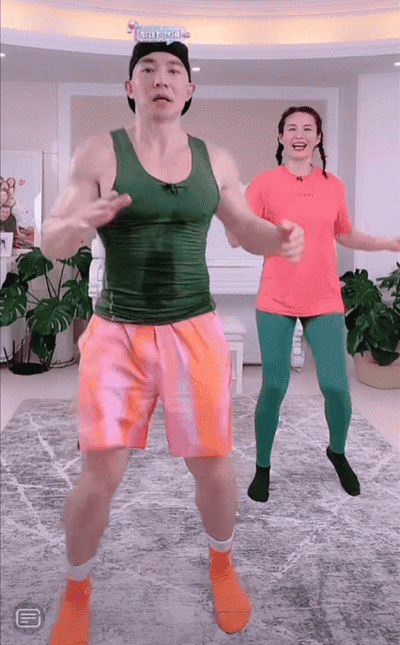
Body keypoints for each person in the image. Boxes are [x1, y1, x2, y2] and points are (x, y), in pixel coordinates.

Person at [41, 41, 304, 644]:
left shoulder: (215, 159)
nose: (161, 78)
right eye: (147, 69)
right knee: (99, 474)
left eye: (174, 71)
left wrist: (280, 237)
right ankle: (76, 590)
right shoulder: (101, 151)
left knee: (213, 464)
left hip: (194, 330)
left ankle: (223, 566)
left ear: (189, 90)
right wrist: (80, 223)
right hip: (116, 333)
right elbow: (53, 239)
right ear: (130, 87)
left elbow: (243, 229)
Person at [235, 106, 400, 504]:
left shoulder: (333, 185)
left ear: (318, 138)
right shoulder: (264, 183)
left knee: (336, 387)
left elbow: (345, 233)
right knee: (274, 385)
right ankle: (262, 467)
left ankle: (337, 452)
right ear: (281, 137)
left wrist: (387, 243)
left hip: (324, 298)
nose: (300, 134)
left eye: (308, 128)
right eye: (292, 128)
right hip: (276, 298)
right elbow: (245, 234)